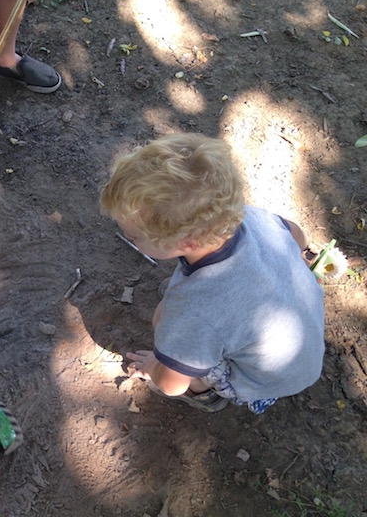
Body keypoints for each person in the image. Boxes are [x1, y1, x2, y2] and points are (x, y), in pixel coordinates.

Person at [99, 133, 325, 414]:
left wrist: (157, 365)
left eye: (133, 237)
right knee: (183, 317)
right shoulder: (249, 217)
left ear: (186, 243)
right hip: (304, 343)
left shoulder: (192, 310)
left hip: (263, 381)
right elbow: (298, 236)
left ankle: (204, 391)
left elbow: (171, 385)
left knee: (163, 317)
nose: (126, 236)